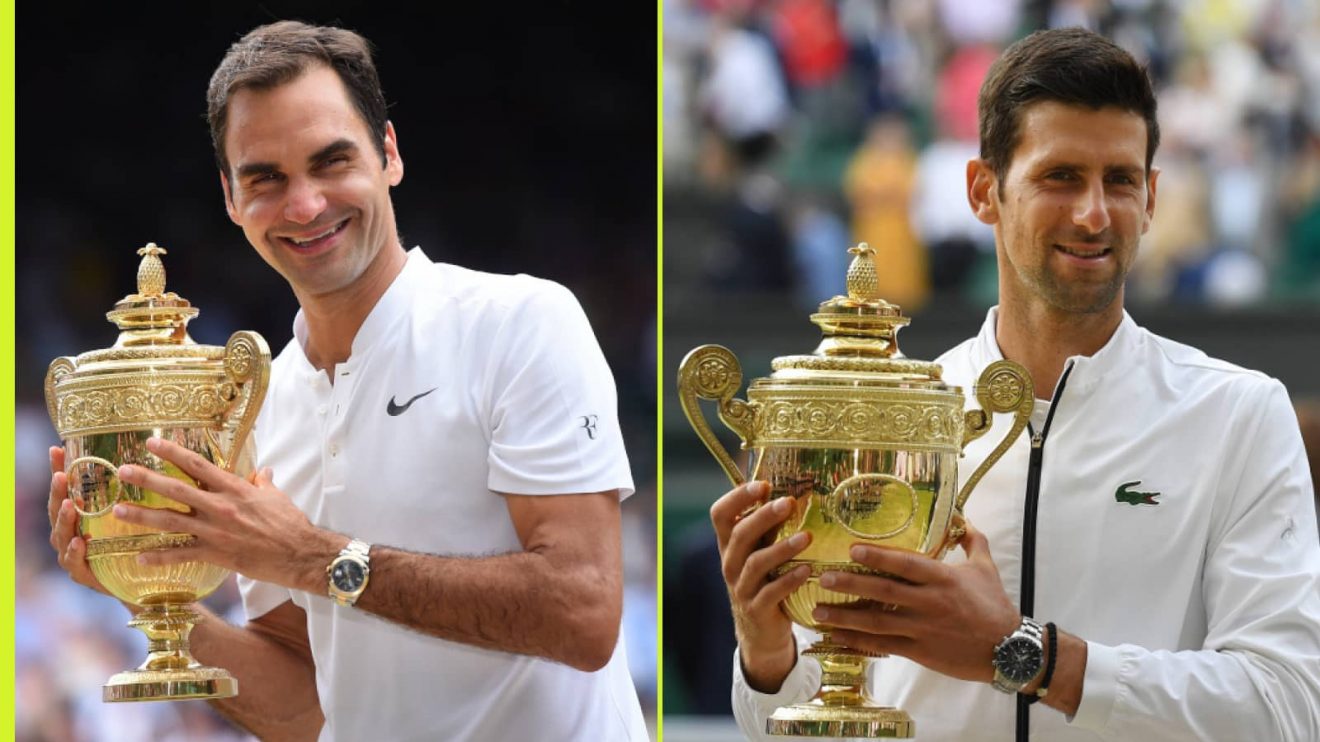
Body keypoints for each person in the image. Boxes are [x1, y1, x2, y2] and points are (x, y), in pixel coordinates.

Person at [46, 21, 648, 741]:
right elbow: (310, 705)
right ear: (231, 199)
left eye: (332, 161)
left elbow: (582, 613)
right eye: (265, 178)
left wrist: (307, 555)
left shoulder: (521, 322)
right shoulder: (256, 404)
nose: (304, 206)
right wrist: (143, 593)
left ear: (389, 154)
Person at [717, 28, 1320, 741]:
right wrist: (767, 656)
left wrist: (1029, 656)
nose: (1094, 214)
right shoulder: (886, 418)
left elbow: (1287, 708)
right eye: (1060, 176)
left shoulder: (1240, 414)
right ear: (983, 192)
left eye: (1120, 180)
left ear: (1153, 198)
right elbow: (801, 721)